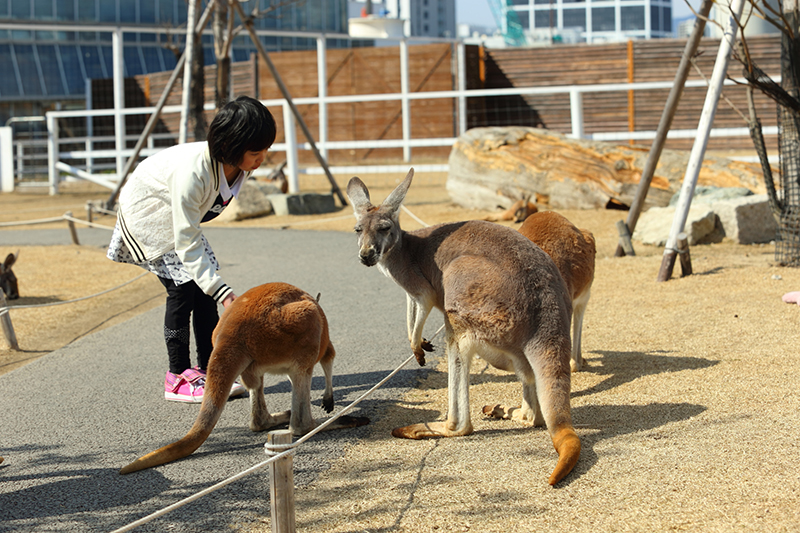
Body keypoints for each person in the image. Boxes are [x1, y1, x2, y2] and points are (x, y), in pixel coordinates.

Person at [107, 95, 277, 403]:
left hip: (179, 220)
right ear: (229, 147)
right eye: (256, 152)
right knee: (183, 288)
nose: (262, 158)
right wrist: (223, 290)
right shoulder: (193, 174)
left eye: (265, 150)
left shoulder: (239, 164)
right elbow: (184, 238)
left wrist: (214, 287)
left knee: (204, 291)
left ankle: (212, 369)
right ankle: (177, 377)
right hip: (149, 213)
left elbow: (191, 229)